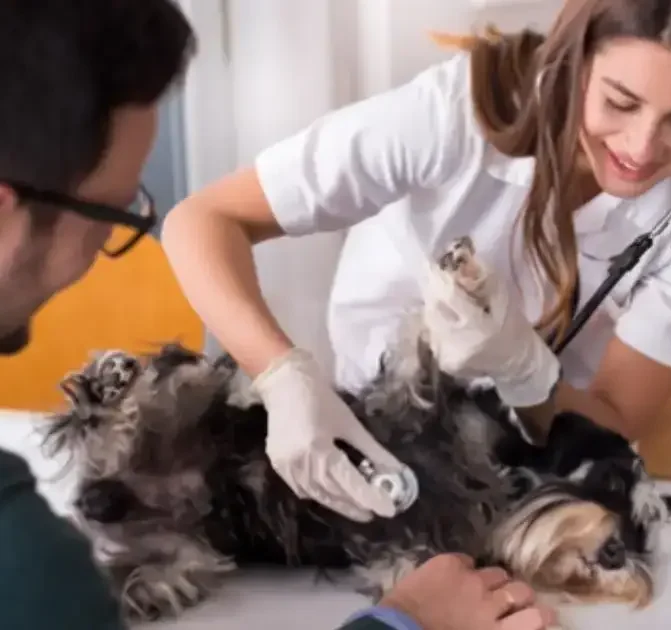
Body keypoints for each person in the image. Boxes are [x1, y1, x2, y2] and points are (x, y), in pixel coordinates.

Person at [0, 2, 553, 630]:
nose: (106, 251)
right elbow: (206, 220)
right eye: (116, 217)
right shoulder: (28, 569)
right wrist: (402, 624)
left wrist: (531, 371)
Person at [162, 0, 671, 524]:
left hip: (542, 454)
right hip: (379, 417)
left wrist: (526, 372)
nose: (641, 148)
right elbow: (203, 222)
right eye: (620, 102)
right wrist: (282, 374)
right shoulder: (450, 114)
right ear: (574, 61)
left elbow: (615, 425)